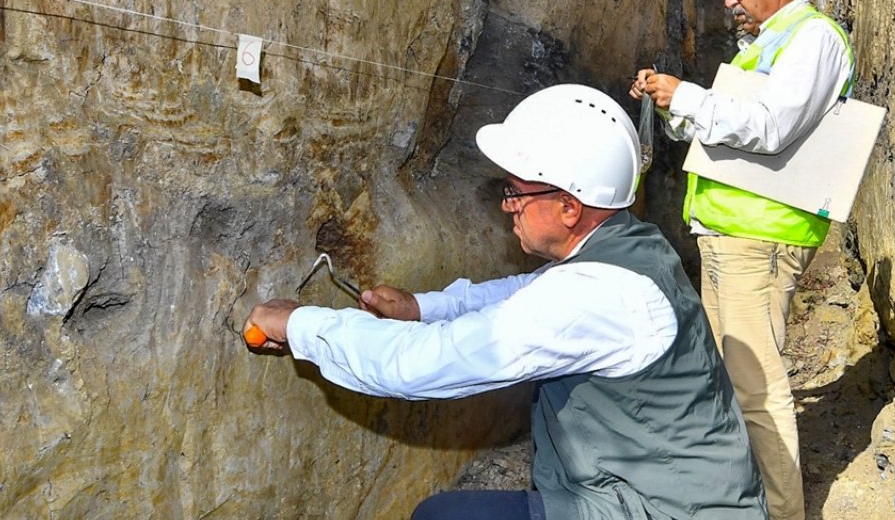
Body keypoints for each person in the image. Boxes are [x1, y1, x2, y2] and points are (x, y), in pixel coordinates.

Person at [244, 84, 768, 520]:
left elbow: (419, 365)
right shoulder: (629, 243)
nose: (507, 206)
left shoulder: (598, 296)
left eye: (518, 192)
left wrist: (300, 323)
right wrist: (423, 308)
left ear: (568, 207)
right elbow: (526, 293)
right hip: (664, 496)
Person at [629, 0, 856, 520]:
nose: (730, 0)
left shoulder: (813, 40)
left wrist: (690, 96)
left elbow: (770, 129)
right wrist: (674, 106)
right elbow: (727, 134)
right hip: (733, 236)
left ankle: (783, 513)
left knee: (757, 391)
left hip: (762, 238)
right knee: (731, 381)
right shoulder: (768, 48)